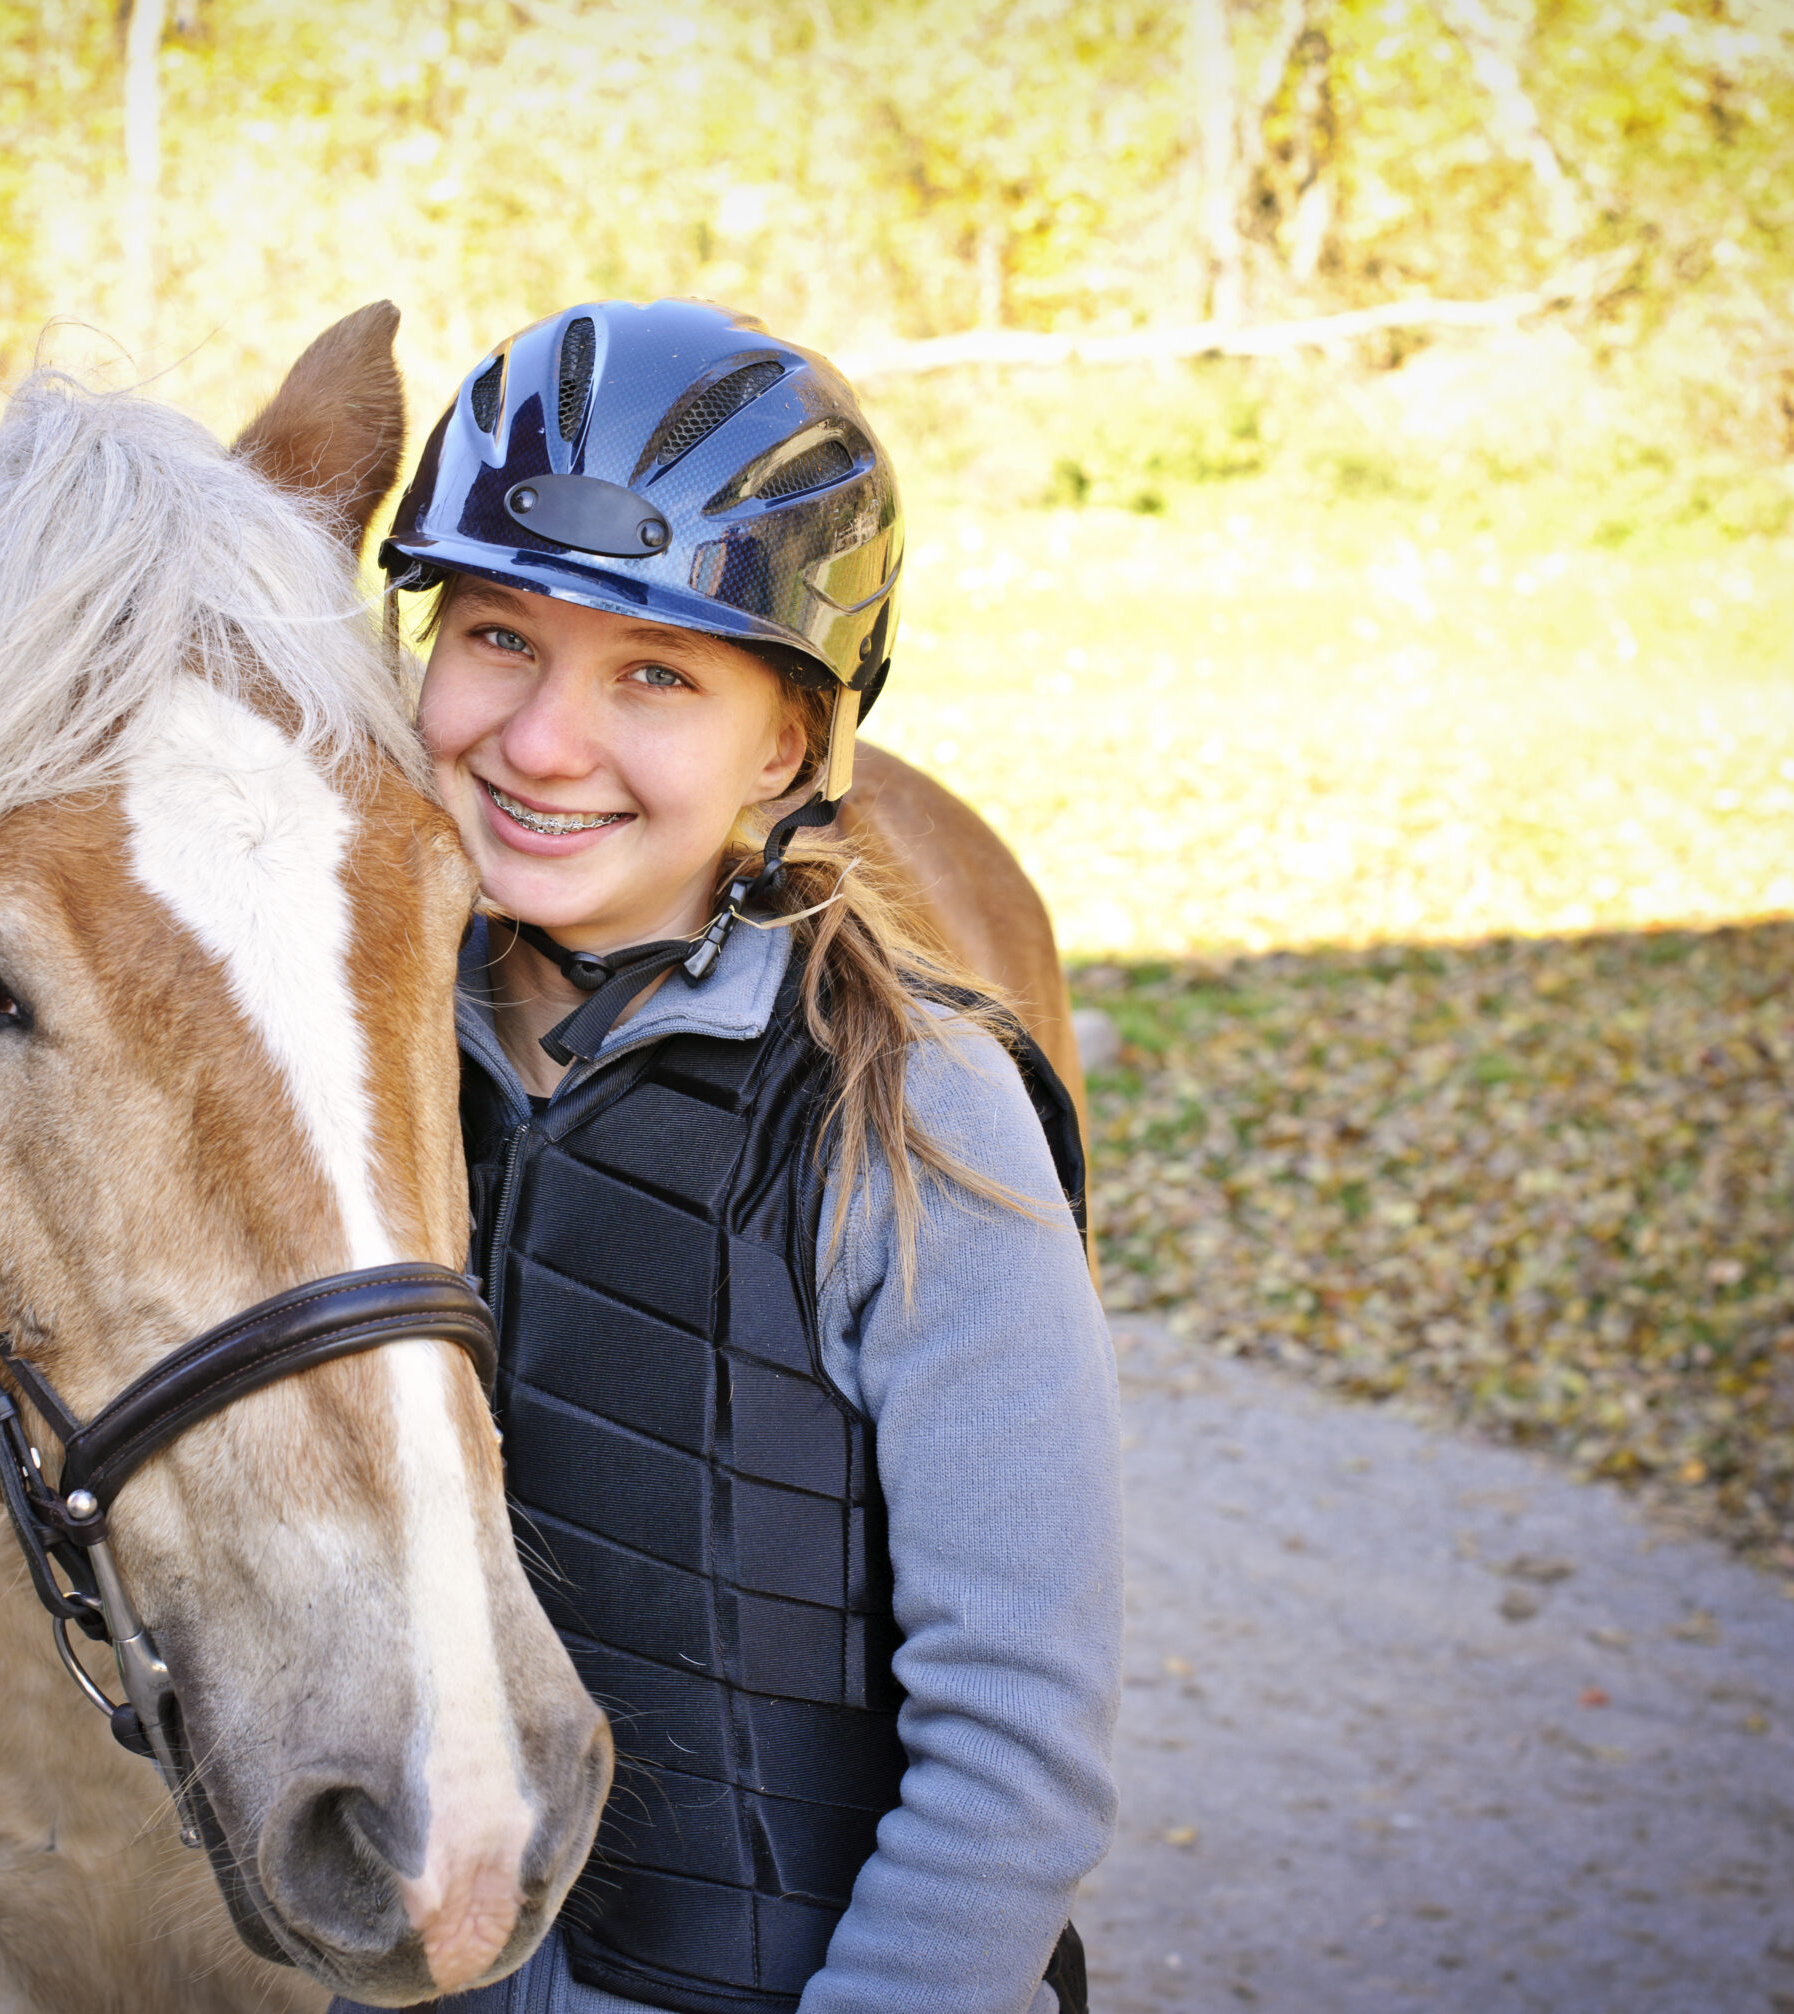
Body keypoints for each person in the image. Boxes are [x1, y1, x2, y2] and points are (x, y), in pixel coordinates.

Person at [374, 298, 1120, 2014]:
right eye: (497, 637)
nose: (543, 741)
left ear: (787, 742)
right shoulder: (368, 1069)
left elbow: (1019, 1753)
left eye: (654, 674)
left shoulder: (915, 1112)